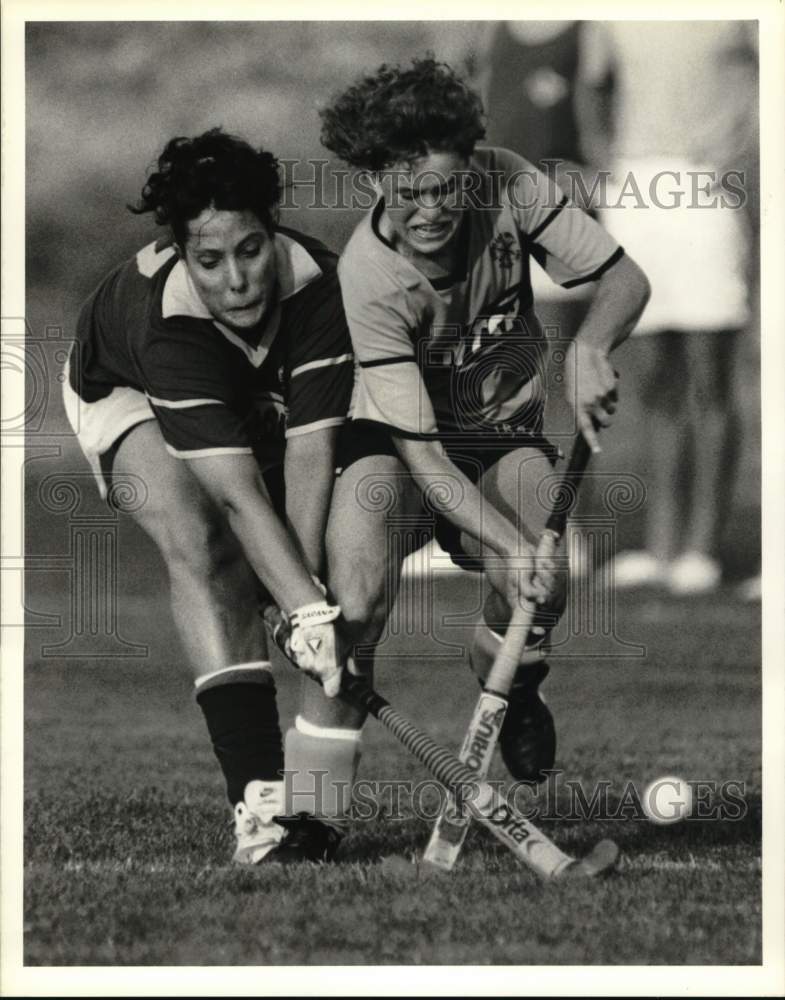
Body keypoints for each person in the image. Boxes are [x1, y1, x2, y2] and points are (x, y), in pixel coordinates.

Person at [280, 58, 650, 830]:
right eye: (406, 191)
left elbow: (622, 281)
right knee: (352, 604)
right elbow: (421, 455)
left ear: (470, 168)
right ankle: (310, 816)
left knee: (544, 582)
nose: (428, 211)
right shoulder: (370, 275)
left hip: (499, 432)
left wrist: (589, 348)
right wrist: (506, 546)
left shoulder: (509, 183)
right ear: (374, 180)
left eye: (444, 187)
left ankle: (510, 680)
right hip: (394, 441)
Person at [63, 128, 354, 864]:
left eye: (250, 251)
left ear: (274, 231)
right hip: (122, 390)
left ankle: (314, 812)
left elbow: (312, 454)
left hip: (256, 400)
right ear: (186, 255)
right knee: (202, 542)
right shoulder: (170, 322)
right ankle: (258, 812)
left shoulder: (319, 284)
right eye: (210, 260)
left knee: (290, 566)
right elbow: (233, 497)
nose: (235, 281)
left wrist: (302, 597)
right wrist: (302, 608)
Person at [576, 21, 758, 594]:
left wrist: (740, 155)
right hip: (635, 189)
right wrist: (607, 167)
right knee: (656, 378)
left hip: (709, 185)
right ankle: (661, 546)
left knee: (710, 376)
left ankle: (701, 551)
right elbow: (591, 88)